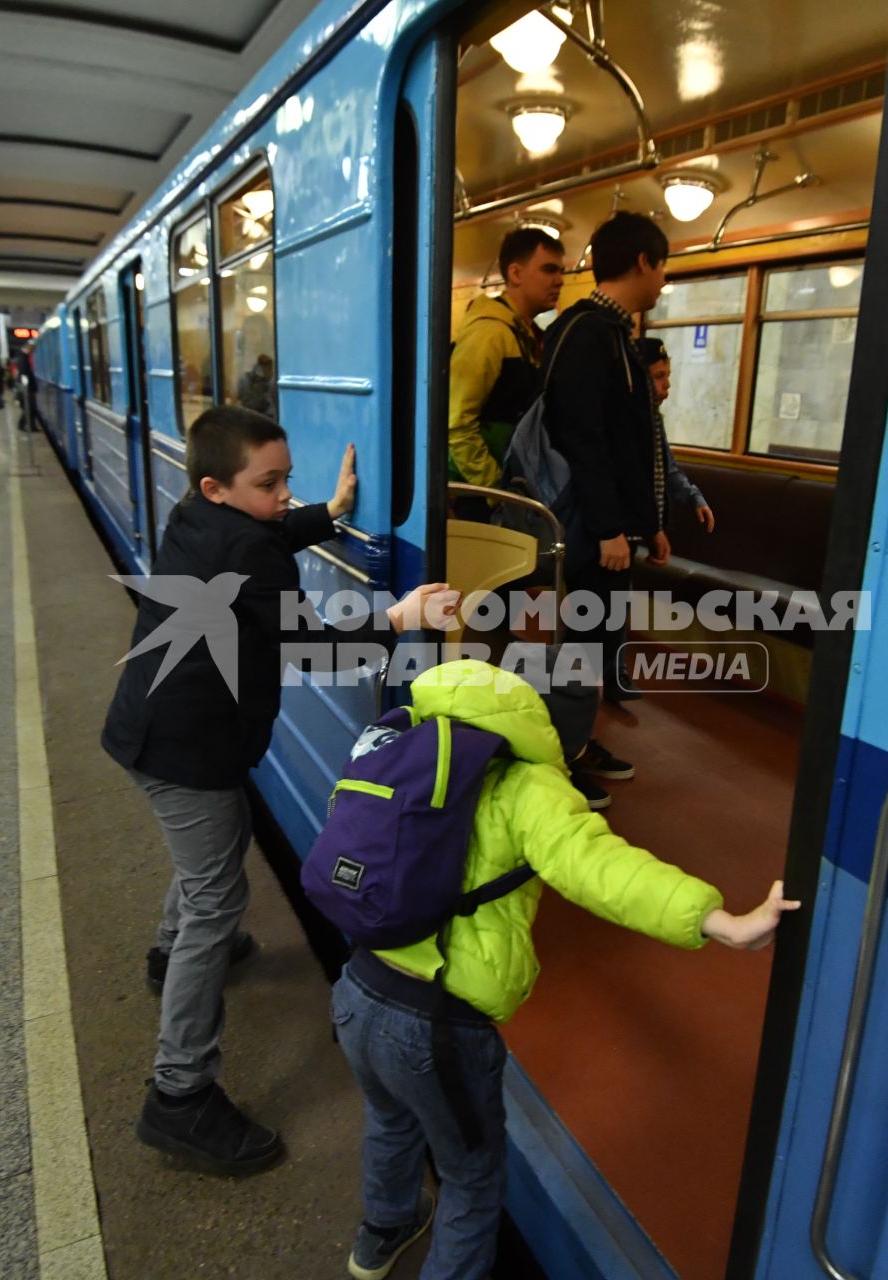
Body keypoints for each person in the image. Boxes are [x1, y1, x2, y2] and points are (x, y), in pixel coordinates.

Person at [331, 659, 797, 1280]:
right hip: (437, 1024)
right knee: (471, 1177)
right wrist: (718, 921)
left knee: (390, 1119)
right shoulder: (529, 786)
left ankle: (380, 1236)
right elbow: (603, 871)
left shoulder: (396, 747)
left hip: (357, 989)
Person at [102, 405, 459, 1177]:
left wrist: (324, 515)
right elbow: (307, 646)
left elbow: (261, 536)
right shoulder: (245, 542)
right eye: (271, 483)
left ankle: (172, 955)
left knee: (216, 852)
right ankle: (179, 1095)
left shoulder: (196, 515)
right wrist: (399, 616)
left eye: (287, 479)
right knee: (216, 898)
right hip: (184, 749)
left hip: (163, 730)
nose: (282, 494)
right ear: (217, 485)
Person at [543, 211, 670, 711]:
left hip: (613, 522)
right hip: (594, 524)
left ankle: (575, 740)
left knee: (595, 635)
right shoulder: (588, 334)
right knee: (583, 639)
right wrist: (608, 528)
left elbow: (628, 442)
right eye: (662, 267)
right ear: (643, 262)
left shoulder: (614, 335)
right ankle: (565, 748)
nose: (663, 281)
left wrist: (648, 524)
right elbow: (585, 438)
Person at [448, 227, 564, 488]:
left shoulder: (527, 335)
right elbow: (456, 424)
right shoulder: (489, 333)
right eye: (549, 270)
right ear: (515, 273)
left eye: (561, 271)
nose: (559, 280)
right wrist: (495, 488)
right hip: (477, 494)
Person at [634, 337, 715, 535]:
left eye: (668, 375)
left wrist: (693, 497)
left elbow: (667, 469)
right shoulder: (625, 422)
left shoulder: (655, 419)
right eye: (659, 376)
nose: (667, 384)